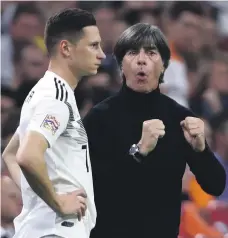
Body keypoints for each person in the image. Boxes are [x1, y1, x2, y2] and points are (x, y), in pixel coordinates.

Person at [83, 23, 226, 238]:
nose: (142, 60)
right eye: (132, 53)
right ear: (121, 65)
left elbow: (216, 185)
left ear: (164, 66)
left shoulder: (180, 118)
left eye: (151, 53)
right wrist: (139, 151)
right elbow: (93, 188)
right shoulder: (100, 117)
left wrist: (201, 150)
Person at [2, 8, 105, 238]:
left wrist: (36, 194)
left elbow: (11, 154)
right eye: (93, 46)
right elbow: (27, 156)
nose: (102, 55)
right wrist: (58, 202)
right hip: (55, 231)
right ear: (66, 48)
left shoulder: (47, 92)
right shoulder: (55, 97)